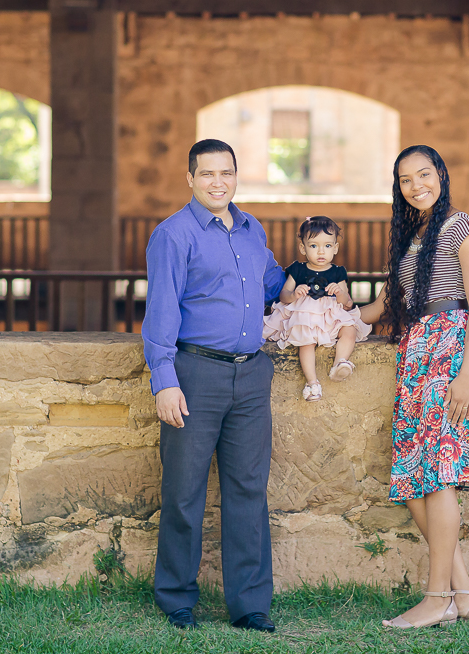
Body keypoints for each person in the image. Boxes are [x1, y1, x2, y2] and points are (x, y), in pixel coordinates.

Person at [353, 144, 469, 629]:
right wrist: (323, 316)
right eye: (405, 179)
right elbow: (381, 308)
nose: (416, 185)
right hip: (415, 356)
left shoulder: (461, 227)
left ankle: (436, 597)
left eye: (424, 174)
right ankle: (464, 594)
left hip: (451, 355)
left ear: (441, 174)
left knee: (435, 476)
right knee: (416, 477)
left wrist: (466, 375)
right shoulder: (412, 234)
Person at [141, 139, 286, 633]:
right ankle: (176, 596)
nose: (218, 182)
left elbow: (272, 282)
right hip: (195, 374)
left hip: (251, 375)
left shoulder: (251, 230)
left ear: (236, 175)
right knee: (184, 491)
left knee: (249, 489)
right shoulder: (172, 235)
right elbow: (160, 311)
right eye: (207, 174)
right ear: (190, 178)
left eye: (226, 173)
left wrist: (321, 280)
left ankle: (249, 604)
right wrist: (164, 380)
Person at [262, 216, 371, 401]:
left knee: (350, 329)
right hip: (306, 317)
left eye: (327, 246)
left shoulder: (338, 272)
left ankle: (340, 362)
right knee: (306, 341)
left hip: (331, 315)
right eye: (314, 246)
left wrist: (339, 294)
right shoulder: (298, 270)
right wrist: (294, 294)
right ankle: (312, 383)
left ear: (335, 248)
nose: (321, 251)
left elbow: (348, 303)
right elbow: (284, 295)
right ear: (303, 248)